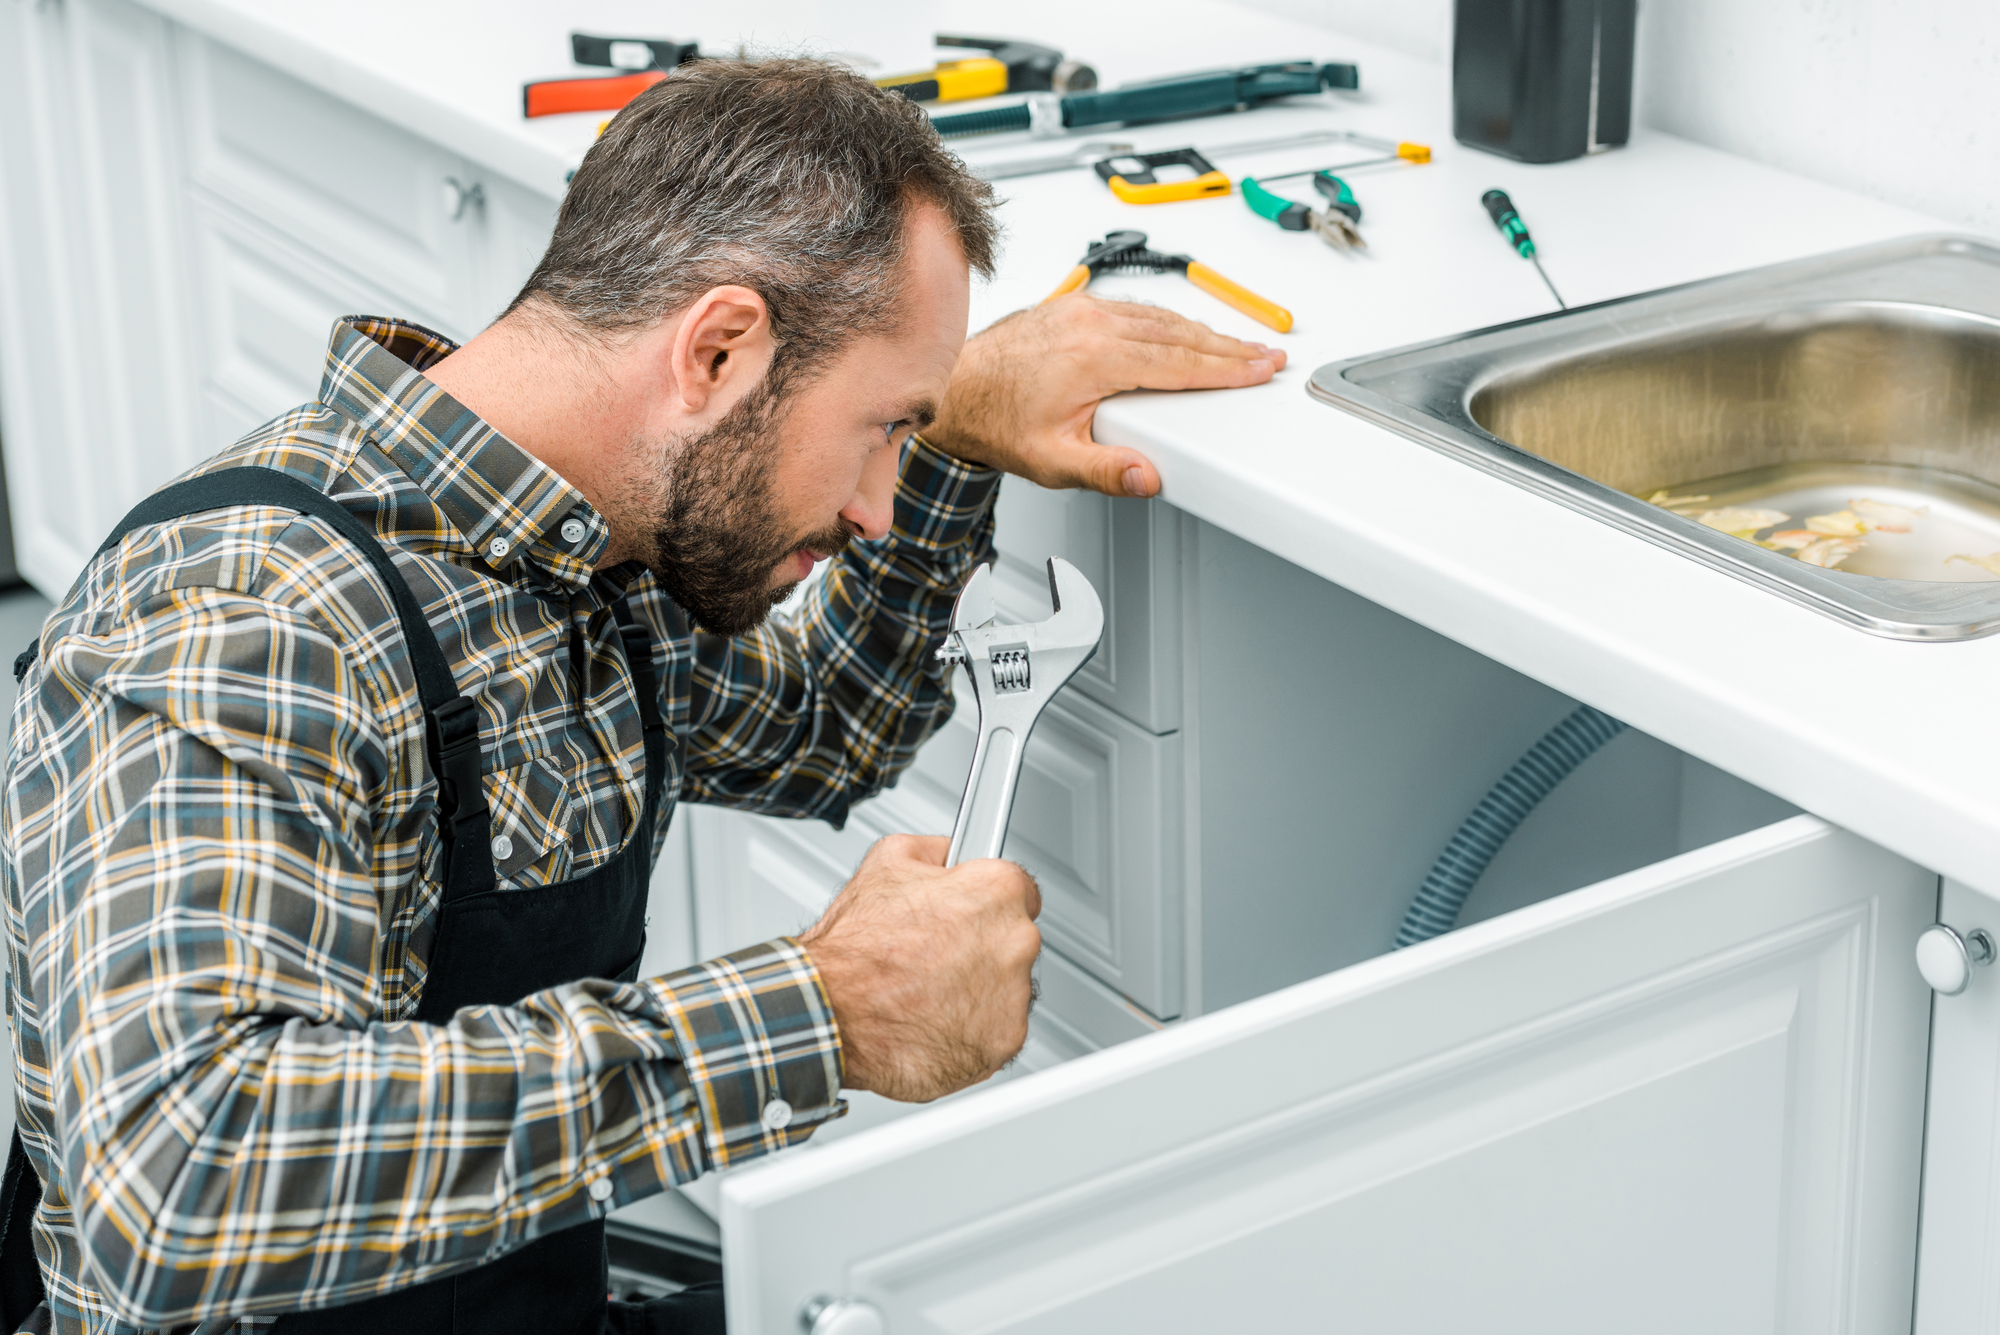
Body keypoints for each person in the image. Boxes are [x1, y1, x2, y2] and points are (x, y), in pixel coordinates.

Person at [0, 58, 1284, 1335]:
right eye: (881, 431)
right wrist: (821, 1011)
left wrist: (946, 447)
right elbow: (173, 1180)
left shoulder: (592, 554)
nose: (875, 506)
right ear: (718, 350)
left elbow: (820, 732)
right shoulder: (248, 620)